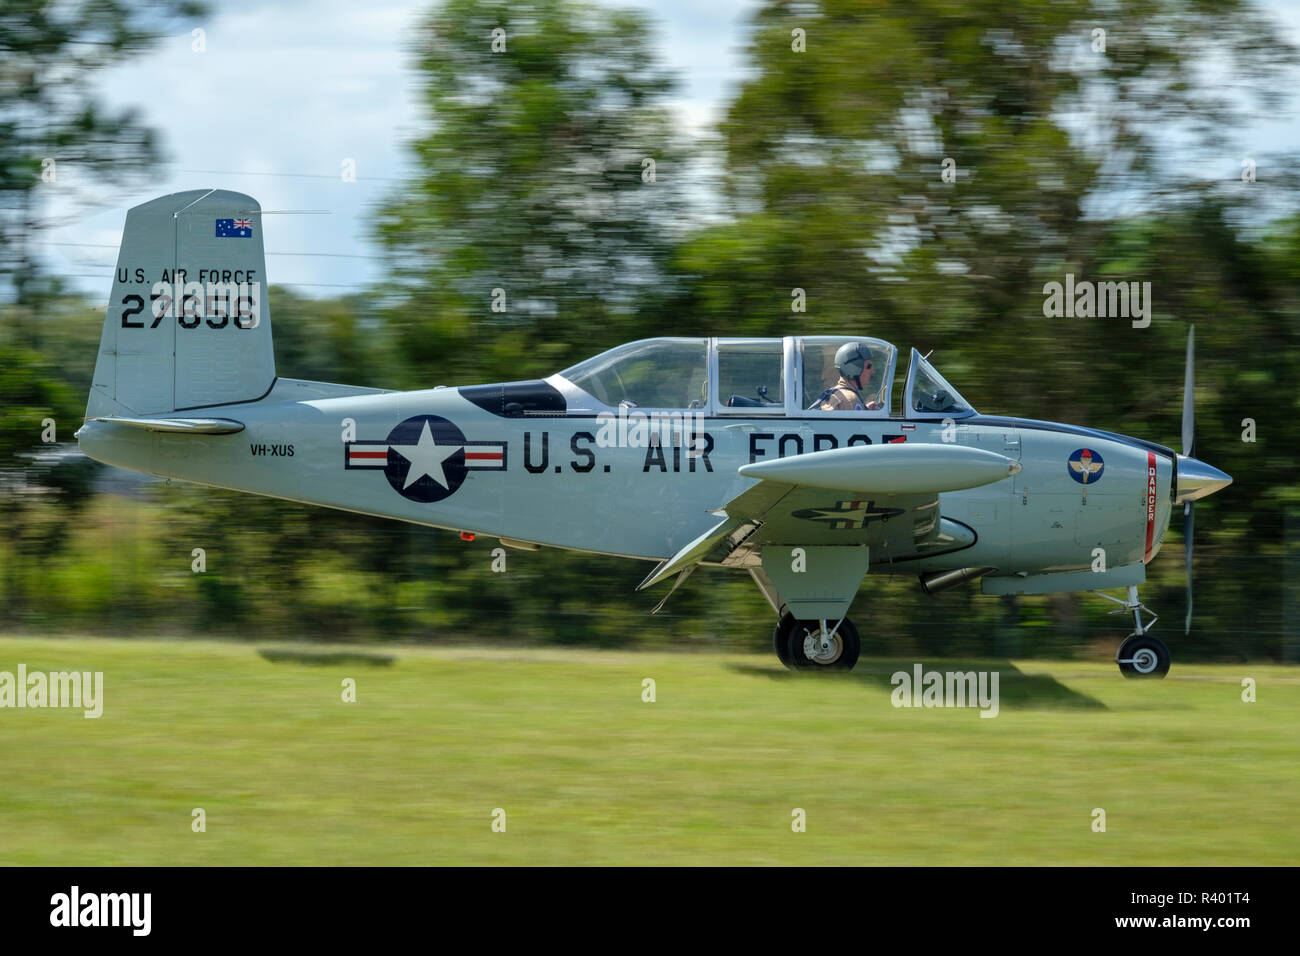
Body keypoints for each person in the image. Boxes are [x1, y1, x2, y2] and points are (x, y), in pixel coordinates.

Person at [816, 342, 883, 411]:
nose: (873, 371)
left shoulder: (835, 393)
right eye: (868, 367)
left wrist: (865, 409)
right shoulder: (851, 400)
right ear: (853, 369)